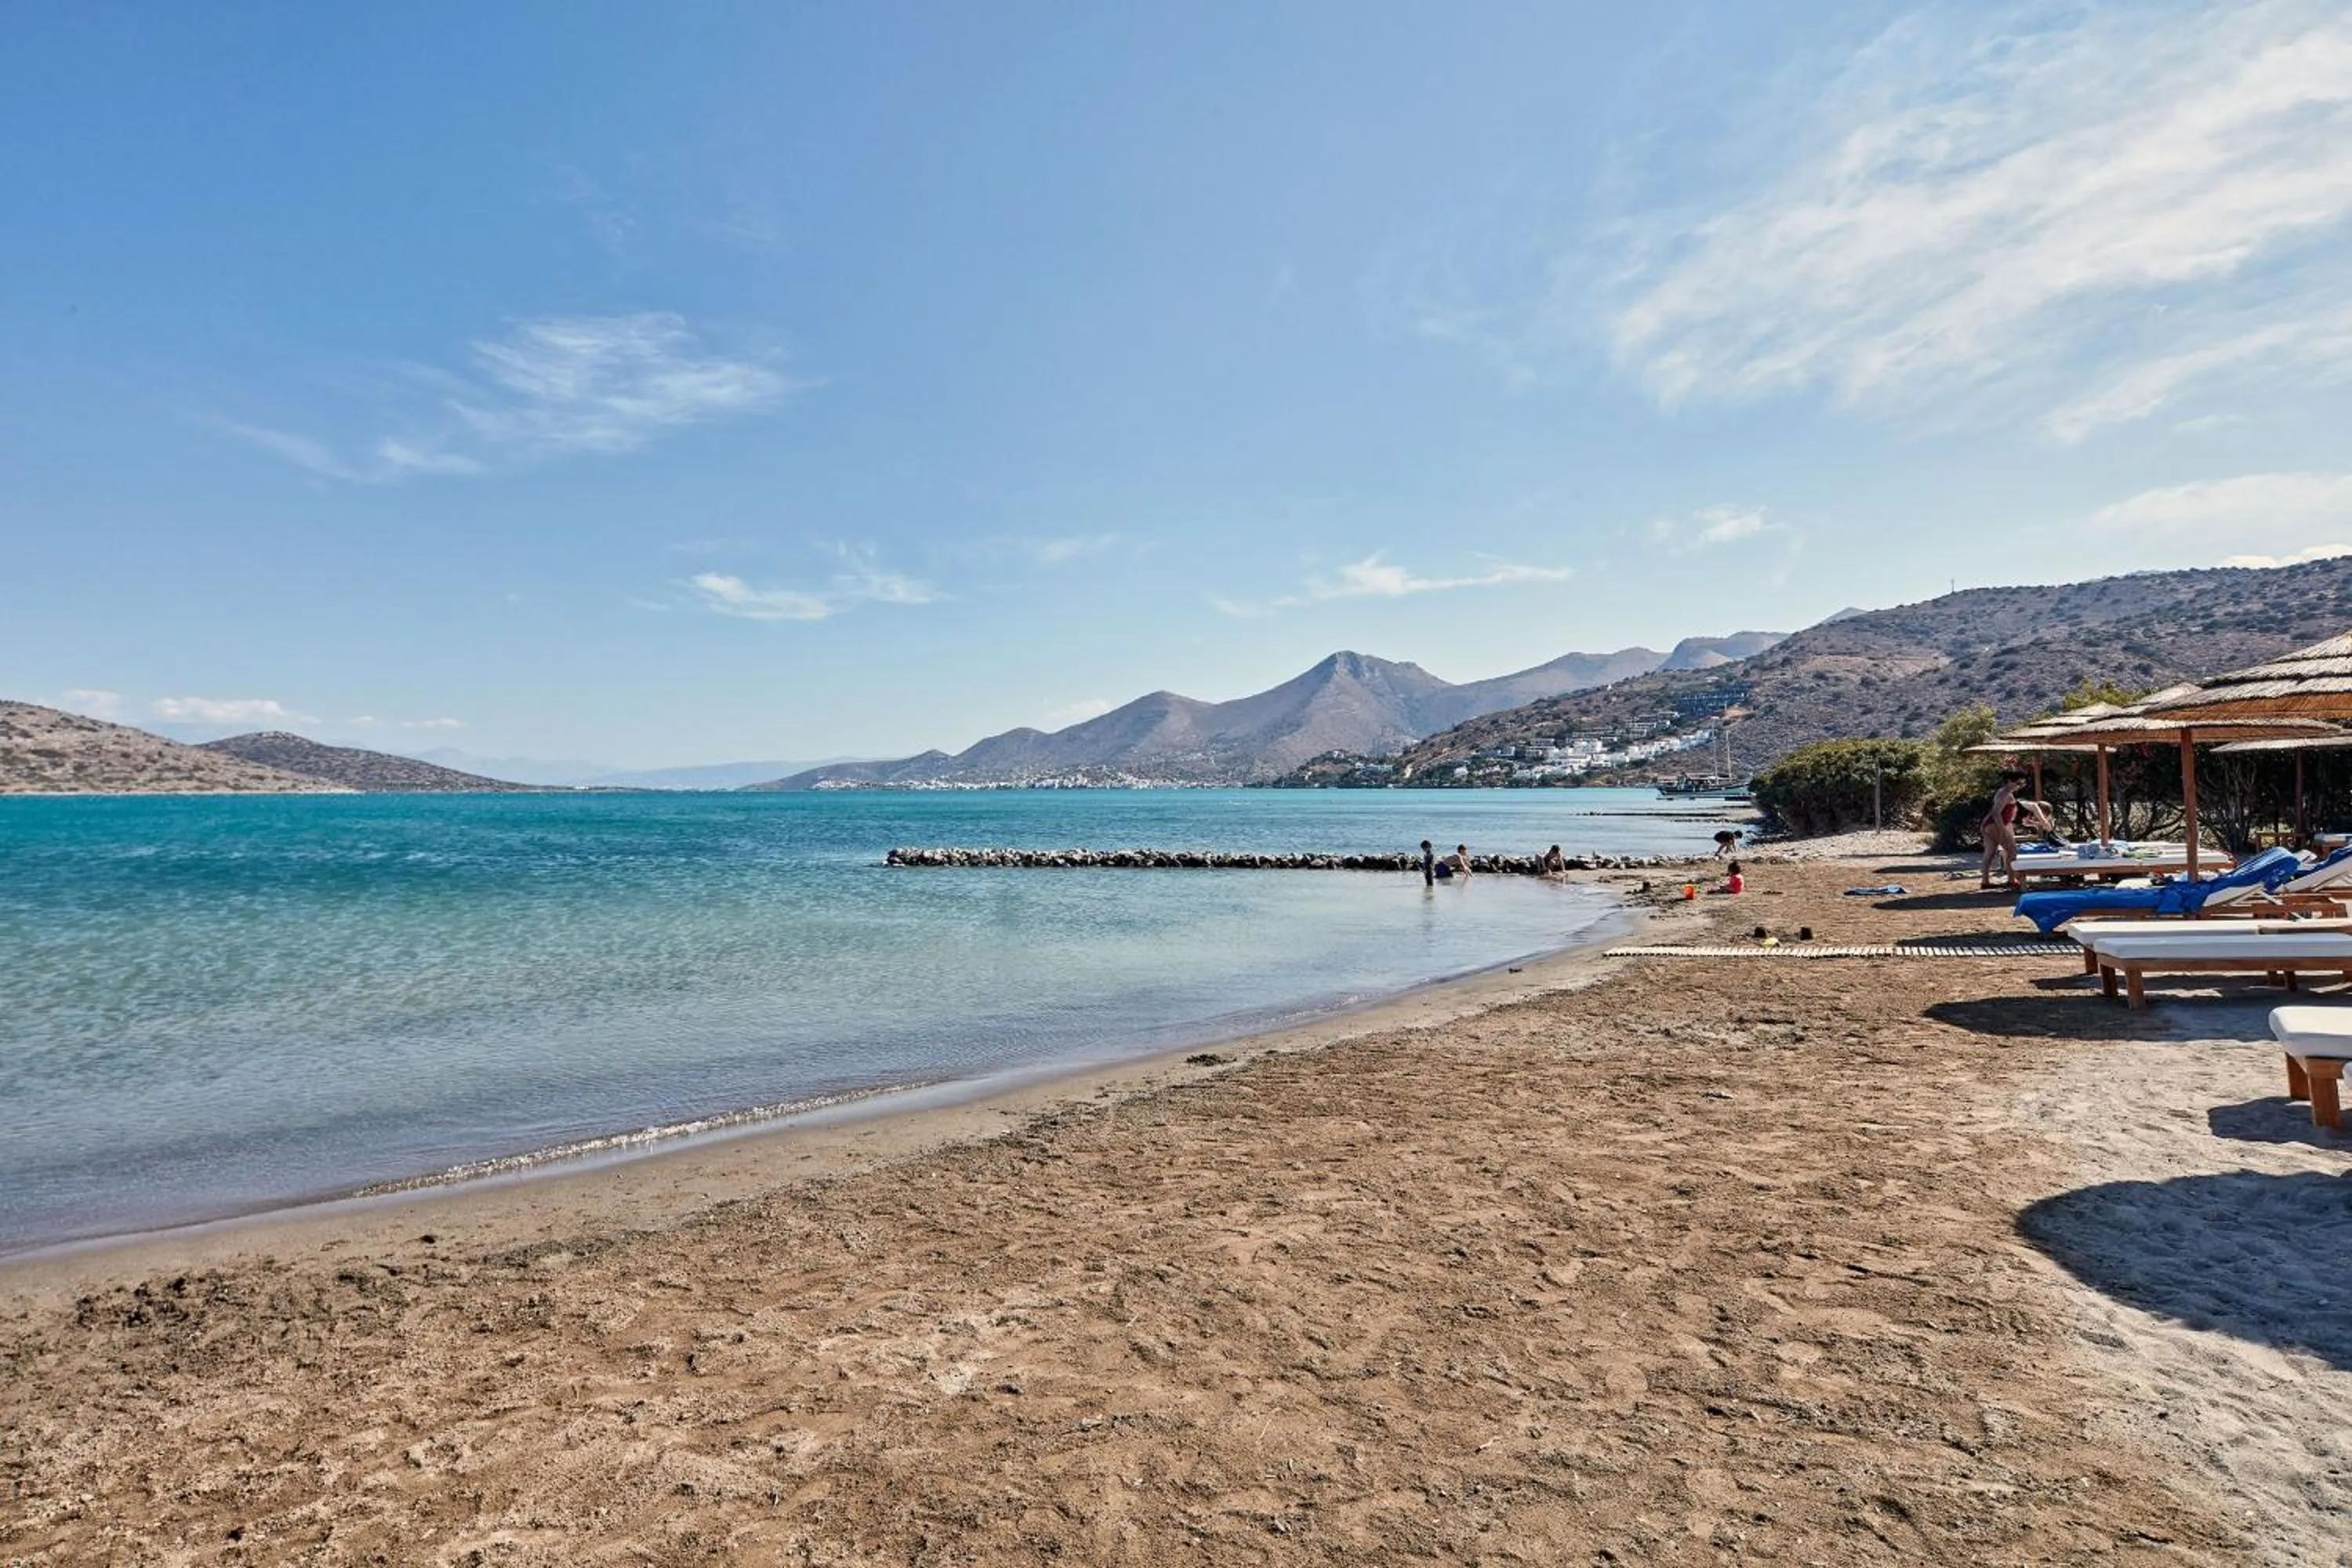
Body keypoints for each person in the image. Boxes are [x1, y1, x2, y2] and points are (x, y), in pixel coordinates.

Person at [1980, 773, 2024, 889]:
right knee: (2012, 851)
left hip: (1988, 825)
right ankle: (2012, 880)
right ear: (2009, 781)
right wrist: (2003, 830)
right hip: (1996, 825)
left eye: (2021, 784)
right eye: (2017, 783)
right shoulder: (2005, 794)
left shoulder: (2002, 792)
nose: (2019, 786)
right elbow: (1996, 813)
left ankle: (1985, 882)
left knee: (1989, 853)